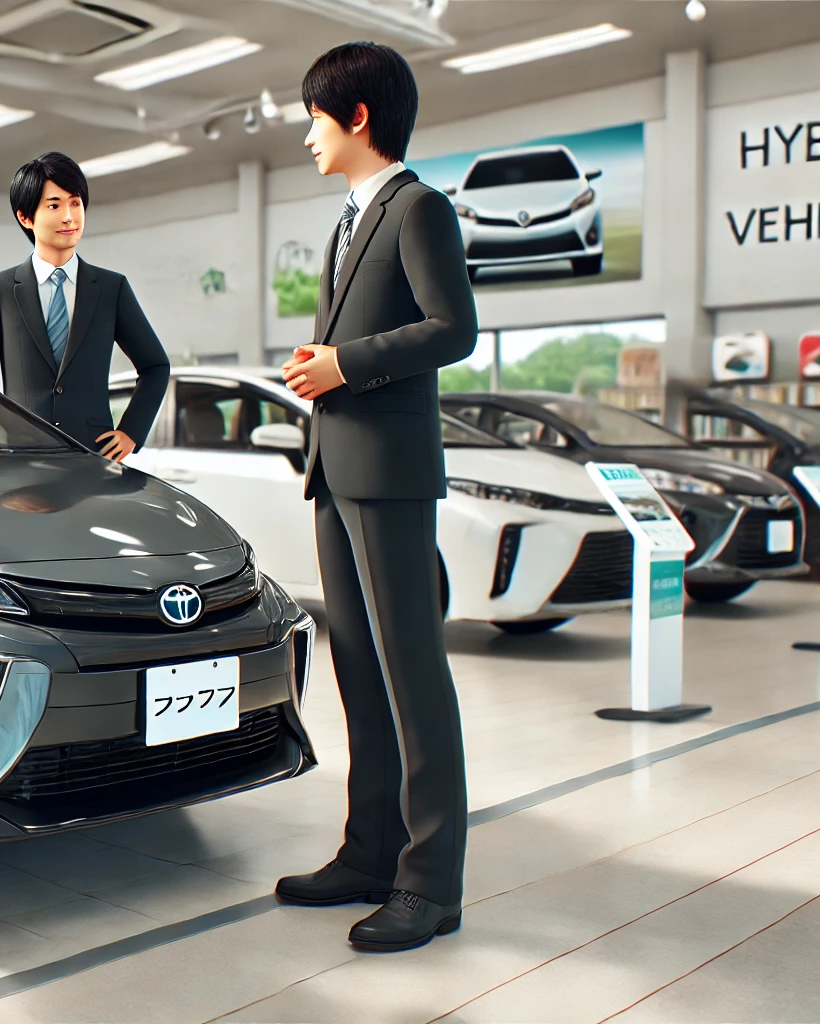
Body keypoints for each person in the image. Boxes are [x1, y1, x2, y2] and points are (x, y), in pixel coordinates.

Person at [272, 41, 478, 953]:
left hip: (389, 477)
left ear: (358, 118)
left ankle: (431, 885)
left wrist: (344, 365)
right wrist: (321, 374)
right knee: (358, 671)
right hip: (336, 469)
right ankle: (370, 851)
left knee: (413, 678)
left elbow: (452, 328)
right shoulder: (352, 218)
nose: (307, 135)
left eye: (315, 117)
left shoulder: (419, 209)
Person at [0, 152, 168, 461]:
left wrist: (131, 432)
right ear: (26, 217)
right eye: (55, 205)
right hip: (23, 463)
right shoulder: (1, 290)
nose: (69, 216)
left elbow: (155, 367)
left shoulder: (112, 289)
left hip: (94, 459)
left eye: (76, 203)